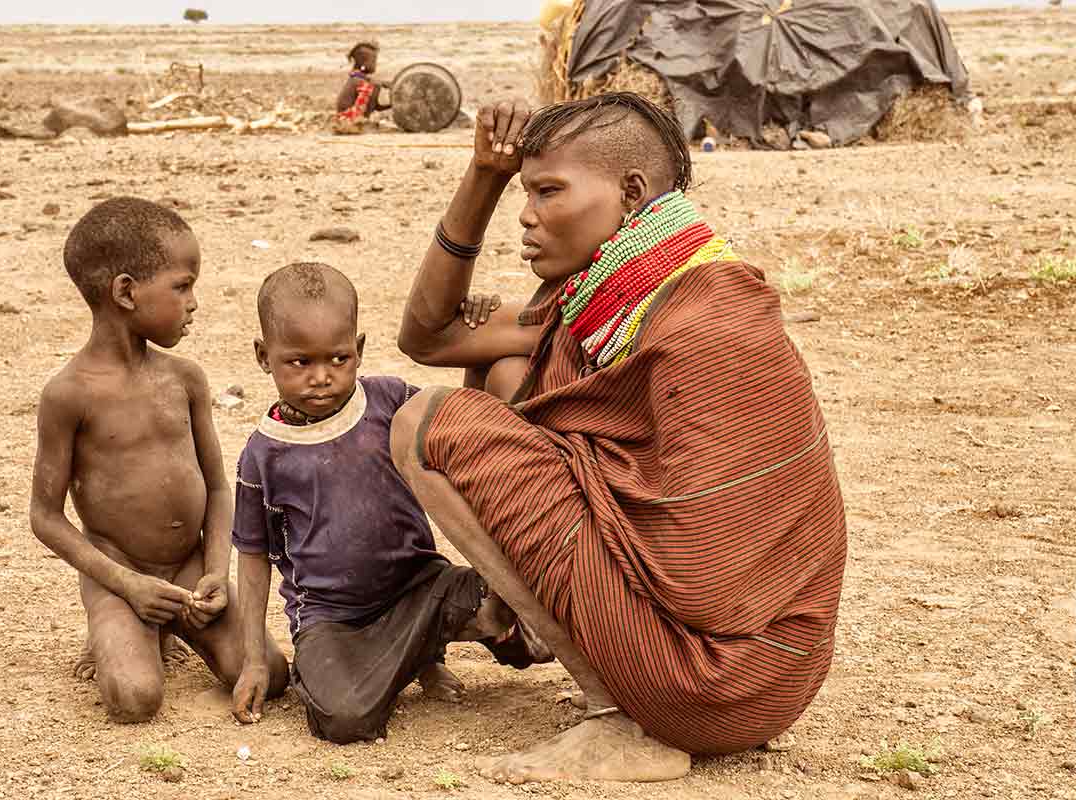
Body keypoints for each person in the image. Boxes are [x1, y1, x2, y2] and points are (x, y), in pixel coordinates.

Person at [390, 93, 848, 783]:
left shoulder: (709, 325)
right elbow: (430, 336)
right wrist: (482, 175)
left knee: (420, 423)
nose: (527, 214)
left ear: (631, 192)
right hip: (741, 676)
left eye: (548, 192)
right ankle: (583, 666)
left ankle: (616, 718)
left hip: (716, 680)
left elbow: (705, 580)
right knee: (505, 371)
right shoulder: (612, 303)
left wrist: (561, 464)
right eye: (522, 192)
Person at [229, 262, 542, 744]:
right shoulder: (263, 454)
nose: (321, 378)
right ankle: (418, 657)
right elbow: (252, 559)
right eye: (299, 362)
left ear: (359, 351)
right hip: (334, 620)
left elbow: (462, 428)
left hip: (422, 589)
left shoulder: (389, 402)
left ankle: (437, 647)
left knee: (516, 595)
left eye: (337, 359)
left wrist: (475, 350)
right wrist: (253, 657)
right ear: (262, 356)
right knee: (343, 720)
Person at [29, 197, 289, 723]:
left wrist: (216, 570)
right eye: (182, 285)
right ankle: (122, 628)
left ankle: (166, 628)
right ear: (126, 291)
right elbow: (45, 516)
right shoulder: (69, 395)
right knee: (134, 699)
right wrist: (127, 585)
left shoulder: (184, 379)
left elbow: (219, 488)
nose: (194, 302)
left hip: (190, 569)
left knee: (273, 673)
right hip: (119, 572)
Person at [336, 41, 391, 122]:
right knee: (374, 86)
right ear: (363, 64)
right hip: (348, 119)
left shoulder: (356, 79)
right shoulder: (361, 83)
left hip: (346, 117)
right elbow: (359, 110)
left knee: (376, 85)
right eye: (373, 62)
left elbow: (375, 107)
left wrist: (391, 105)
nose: (375, 65)